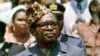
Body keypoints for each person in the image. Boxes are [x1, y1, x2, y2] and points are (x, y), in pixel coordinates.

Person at [15, 2, 85, 56]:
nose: (50, 28)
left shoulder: (76, 53)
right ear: (32, 31)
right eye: (44, 25)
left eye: (54, 24)